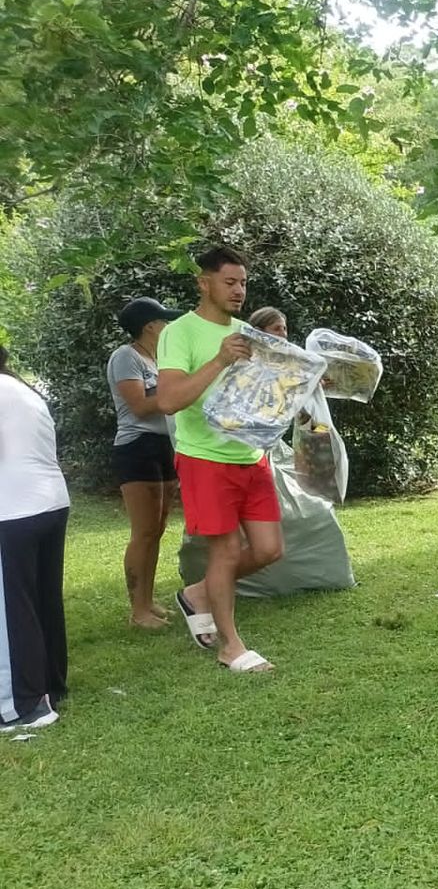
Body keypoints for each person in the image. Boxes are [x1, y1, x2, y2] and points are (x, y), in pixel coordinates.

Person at [156, 245, 283, 672]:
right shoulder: (181, 332)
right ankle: (231, 646)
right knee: (225, 551)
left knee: (268, 550)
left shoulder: (249, 331)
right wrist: (219, 359)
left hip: (251, 456)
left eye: (243, 283)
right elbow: (169, 400)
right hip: (204, 458)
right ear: (204, 283)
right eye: (230, 282)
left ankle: (198, 594)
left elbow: (262, 396)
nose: (239, 290)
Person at [0, 346, 71, 732]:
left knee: (12, 610)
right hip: (49, 504)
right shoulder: (20, 388)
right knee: (42, 600)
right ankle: (51, 686)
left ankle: (23, 705)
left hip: (12, 509)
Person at [109, 297, 184, 628]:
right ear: (150, 326)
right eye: (163, 321)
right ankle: (137, 611)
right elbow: (139, 406)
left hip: (164, 444)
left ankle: (148, 601)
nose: (168, 326)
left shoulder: (158, 359)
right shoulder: (125, 357)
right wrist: (177, 394)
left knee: (157, 529)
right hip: (137, 446)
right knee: (143, 532)